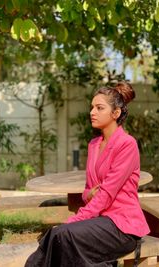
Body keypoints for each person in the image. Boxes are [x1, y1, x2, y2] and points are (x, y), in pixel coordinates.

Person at [25, 81, 150, 267]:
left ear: (115, 113)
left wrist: (73, 220)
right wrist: (89, 194)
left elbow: (106, 195)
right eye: (92, 107)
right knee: (55, 235)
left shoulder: (127, 144)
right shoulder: (93, 145)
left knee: (62, 235)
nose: (92, 112)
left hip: (122, 227)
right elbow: (88, 191)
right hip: (99, 221)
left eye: (99, 108)